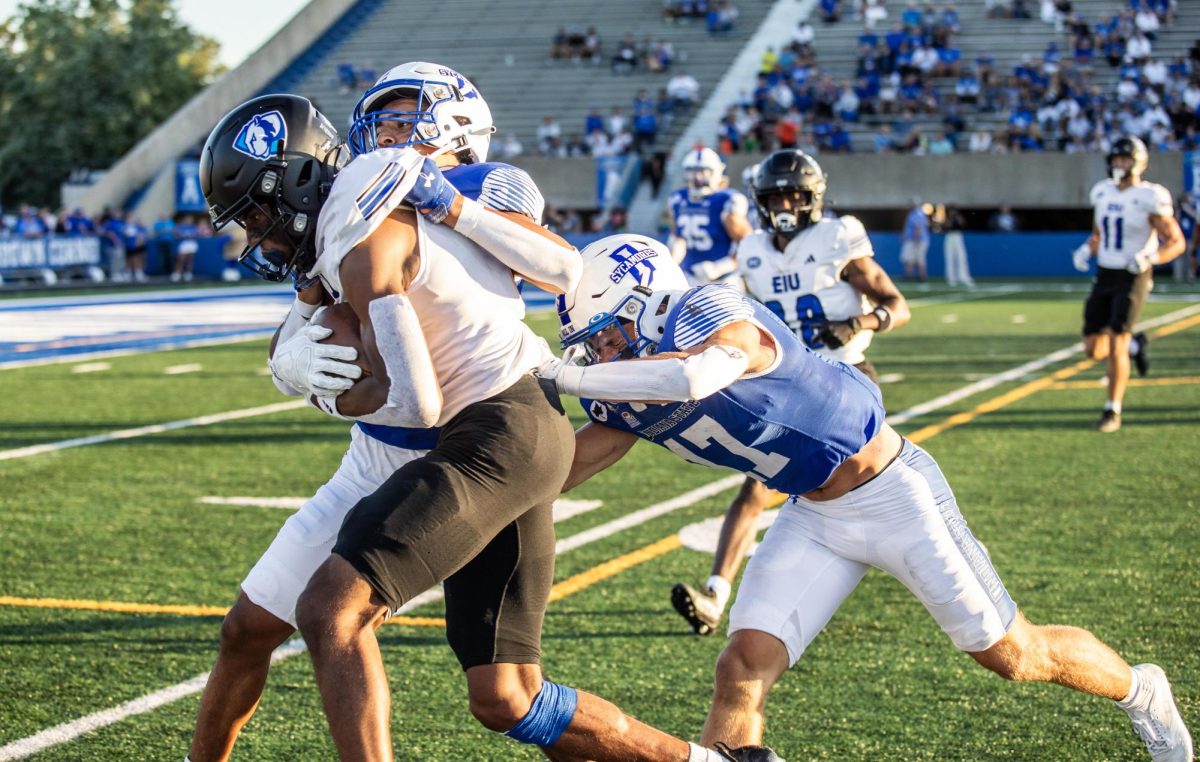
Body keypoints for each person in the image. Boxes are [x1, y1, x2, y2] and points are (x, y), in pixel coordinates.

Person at [200, 67, 772, 762]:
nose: (392, 135)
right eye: (384, 123)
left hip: (487, 429)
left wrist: (450, 203)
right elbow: (314, 307)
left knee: (333, 611)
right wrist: (286, 360)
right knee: (504, 697)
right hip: (407, 444)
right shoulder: (352, 211)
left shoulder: (456, 189)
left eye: (257, 217)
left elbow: (558, 269)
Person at [541, 234, 1193, 762]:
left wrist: (562, 375)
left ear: (647, 301)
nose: (599, 354)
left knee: (1016, 656)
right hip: (812, 514)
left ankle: (1143, 692)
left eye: (605, 334)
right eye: (590, 346)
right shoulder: (622, 390)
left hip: (890, 491)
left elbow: (703, 371)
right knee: (742, 664)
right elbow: (557, 471)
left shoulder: (705, 310)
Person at [670, 149, 911, 636]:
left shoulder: (837, 236)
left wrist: (858, 322)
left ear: (812, 198)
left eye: (794, 195)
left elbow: (897, 305)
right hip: (794, 381)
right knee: (762, 484)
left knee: (859, 490)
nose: (784, 203)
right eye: (775, 195)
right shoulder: (754, 247)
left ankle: (912, 556)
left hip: (846, 375)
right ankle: (717, 594)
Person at [1071, 136, 1184, 433]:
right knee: (1093, 349)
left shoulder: (1150, 196)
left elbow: (1176, 243)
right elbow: (1098, 234)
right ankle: (1136, 345)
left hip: (1134, 274)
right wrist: (1087, 249)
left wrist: (1151, 257)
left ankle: (1112, 410)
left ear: (1138, 163)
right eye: (1116, 159)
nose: (1119, 164)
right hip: (1105, 273)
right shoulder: (1103, 192)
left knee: (1116, 342)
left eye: (1125, 159)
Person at [668, 147, 753, 287]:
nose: (697, 178)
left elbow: (749, 243)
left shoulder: (726, 200)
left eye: (703, 172)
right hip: (689, 277)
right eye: (693, 172)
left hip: (723, 280)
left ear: (716, 173)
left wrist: (721, 266)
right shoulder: (678, 199)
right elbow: (677, 235)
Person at [942, 203, 974, 287]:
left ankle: (963, 276)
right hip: (949, 236)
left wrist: (957, 219)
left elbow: (963, 225)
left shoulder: (958, 218)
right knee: (949, 257)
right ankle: (951, 278)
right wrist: (948, 221)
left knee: (961, 257)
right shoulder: (947, 218)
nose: (952, 212)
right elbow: (945, 227)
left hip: (958, 236)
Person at [900, 198, 929, 281]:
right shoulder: (921, 213)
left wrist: (915, 239)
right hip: (917, 240)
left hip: (915, 241)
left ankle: (915, 276)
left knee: (912, 258)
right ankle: (916, 276)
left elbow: (918, 227)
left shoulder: (917, 213)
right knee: (916, 259)